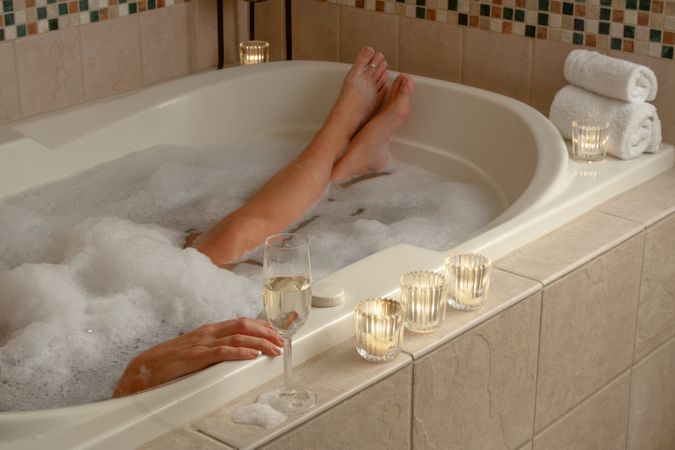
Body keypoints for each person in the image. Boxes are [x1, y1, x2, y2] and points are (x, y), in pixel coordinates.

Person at [112, 47, 414, 398]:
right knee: (225, 243)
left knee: (211, 248)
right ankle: (346, 152)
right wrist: (139, 375)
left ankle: (350, 158)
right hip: (137, 327)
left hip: (129, 310)